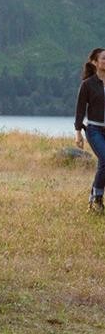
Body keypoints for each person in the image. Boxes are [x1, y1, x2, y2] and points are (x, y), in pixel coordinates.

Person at [75, 47, 105, 212]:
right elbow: (80, 109)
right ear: (95, 62)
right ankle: (98, 199)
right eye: (104, 58)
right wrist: (78, 132)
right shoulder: (88, 84)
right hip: (94, 130)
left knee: (103, 163)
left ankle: (93, 199)